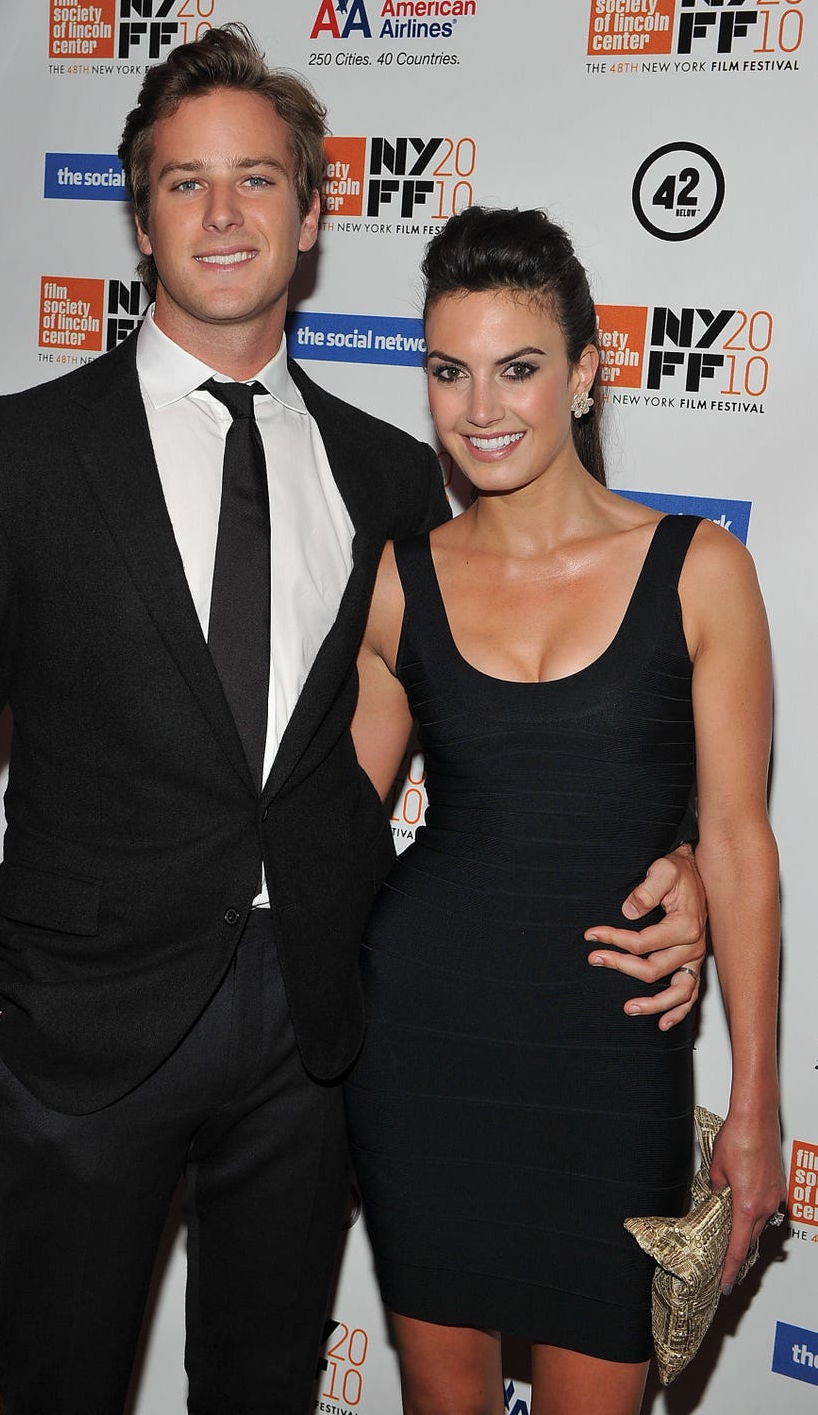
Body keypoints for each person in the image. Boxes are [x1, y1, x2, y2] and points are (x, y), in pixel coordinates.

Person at [0, 30, 705, 1415]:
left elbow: (520, 710)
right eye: (184, 182)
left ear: (314, 215)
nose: (222, 214)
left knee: (264, 1390)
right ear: (139, 218)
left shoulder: (396, 476)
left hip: (322, 1045)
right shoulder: (13, 458)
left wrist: (671, 851)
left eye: (258, 179)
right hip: (77, 1036)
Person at [345, 205, 785, 1415]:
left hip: (609, 1045)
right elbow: (325, 820)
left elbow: (741, 840)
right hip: (424, 1040)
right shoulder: (399, 579)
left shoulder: (699, 569)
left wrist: (754, 1104)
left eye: (519, 368)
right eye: (448, 371)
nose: (480, 408)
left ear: (587, 373)